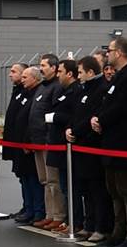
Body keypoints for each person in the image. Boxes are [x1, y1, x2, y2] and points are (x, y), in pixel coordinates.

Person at [91, 36, 127, 247]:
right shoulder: (119, 76)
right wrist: (98, 118)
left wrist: (102, 120)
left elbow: (123, 107)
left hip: (125, 142)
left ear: (120, 52)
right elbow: (108, 102)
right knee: (114, 189)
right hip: (111, 141)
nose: (108, 54)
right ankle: (118, 232)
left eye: (110, 50)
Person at [67, 55, 111, 241]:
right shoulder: (82, 90)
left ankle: (101, 227)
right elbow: (76, 112)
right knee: (86, 190)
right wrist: (69, 128)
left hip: (92, 146)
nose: (78, 76)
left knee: (97, 190)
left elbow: (93, 117)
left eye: (80, 73)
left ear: (91, 72)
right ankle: (89, 224)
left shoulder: (100, 90)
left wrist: (76, 131)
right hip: (80, 146)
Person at [28, 54, 64, 230]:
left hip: (48, 141)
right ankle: (49, 214)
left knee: (53, 180)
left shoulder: (56, 87)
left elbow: (54, 113)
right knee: (44, 180)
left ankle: (58, 214)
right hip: (37, 141)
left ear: (54, 68)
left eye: (44, 65)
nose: (41, 68)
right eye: (40, 65)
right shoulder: (42, 86)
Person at [46, 59, 80, 234]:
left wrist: (54, 117)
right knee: (64, 186)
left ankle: (75, 221)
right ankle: (69, 220)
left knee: (70, 187)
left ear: (69, 73)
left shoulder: (75, 91)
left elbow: (71, 115)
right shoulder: (63, 91)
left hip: (67, 145)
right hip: (57, 144)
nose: (58, 75)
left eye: (60, 72)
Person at [11, 66, 46, 224]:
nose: (22, 80)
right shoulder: (24, 93)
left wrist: (29, 140)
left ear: (35, 78)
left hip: (30, 146)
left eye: (25, 77)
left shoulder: (39, 92)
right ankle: (28, 207)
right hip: (20, 144)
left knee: (33, 178)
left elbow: (34, 119)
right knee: (24, 177)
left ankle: (37, 211)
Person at [2, 64, 28, 218]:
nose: (10, 75)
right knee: (21, 176)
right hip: (15, 142)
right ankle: (26, 206)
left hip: (24, 143)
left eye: (14, 72)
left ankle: (33, 209)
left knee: (28, 176)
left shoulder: (26, 92)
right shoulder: (17, 91)